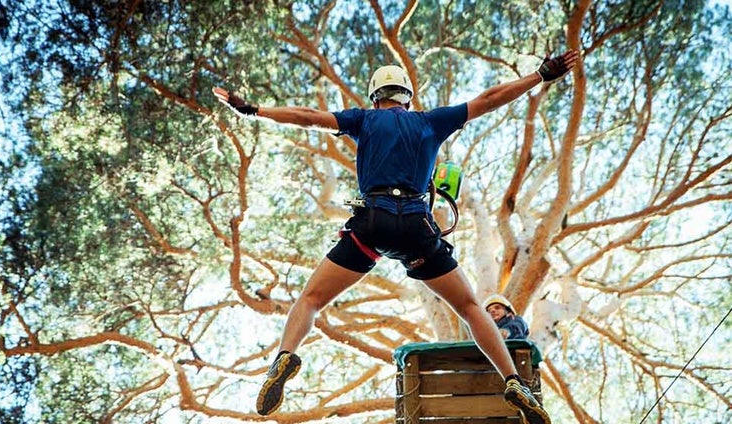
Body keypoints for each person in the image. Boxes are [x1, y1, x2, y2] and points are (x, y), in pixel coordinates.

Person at [213, 49, 579, 424]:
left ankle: (285, 355)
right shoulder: (431, 122)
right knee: (470, 307)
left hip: (371, 225)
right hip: (418, 230)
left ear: (376, 95)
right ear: (408, 95)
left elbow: (307, 118)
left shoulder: (363, 120)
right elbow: (488, 100)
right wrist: (539, 75)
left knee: (310, 299)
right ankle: (513, 380)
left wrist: (255, 110)